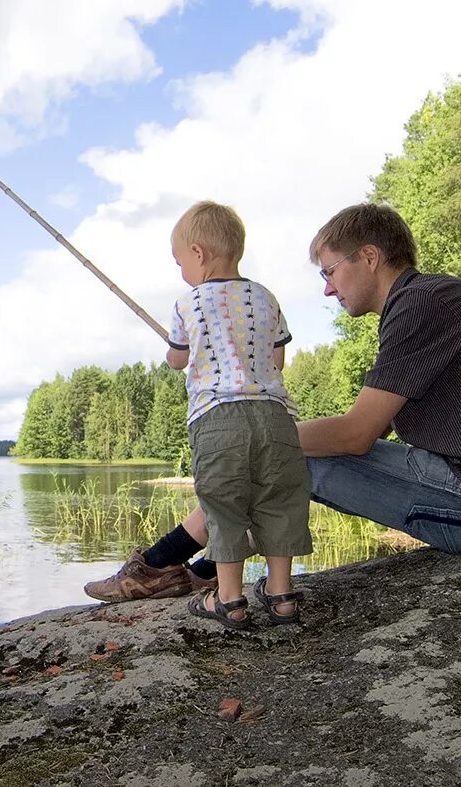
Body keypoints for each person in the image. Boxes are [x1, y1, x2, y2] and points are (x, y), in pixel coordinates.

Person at [85, 202, 461, 603]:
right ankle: (194, 569)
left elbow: (355, 434)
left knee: (280, 456)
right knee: (279, 455)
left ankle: (163, 565)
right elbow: (365, 435)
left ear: (368, 256)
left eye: (330, 271)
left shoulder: (424, 303)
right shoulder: (428, 300)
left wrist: (251, 432)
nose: (326, 288)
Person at [165, 201, 312, 629]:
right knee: (279, 501)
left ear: (197, 253)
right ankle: (282, 596)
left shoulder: (186, 304)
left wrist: (184, 349)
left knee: (224, 505)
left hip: (218, 420)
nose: (181, 272)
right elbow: (278, 358)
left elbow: (177, 361)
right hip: (275, 418)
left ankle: (229, 600)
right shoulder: (264, 296)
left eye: (179, 262)